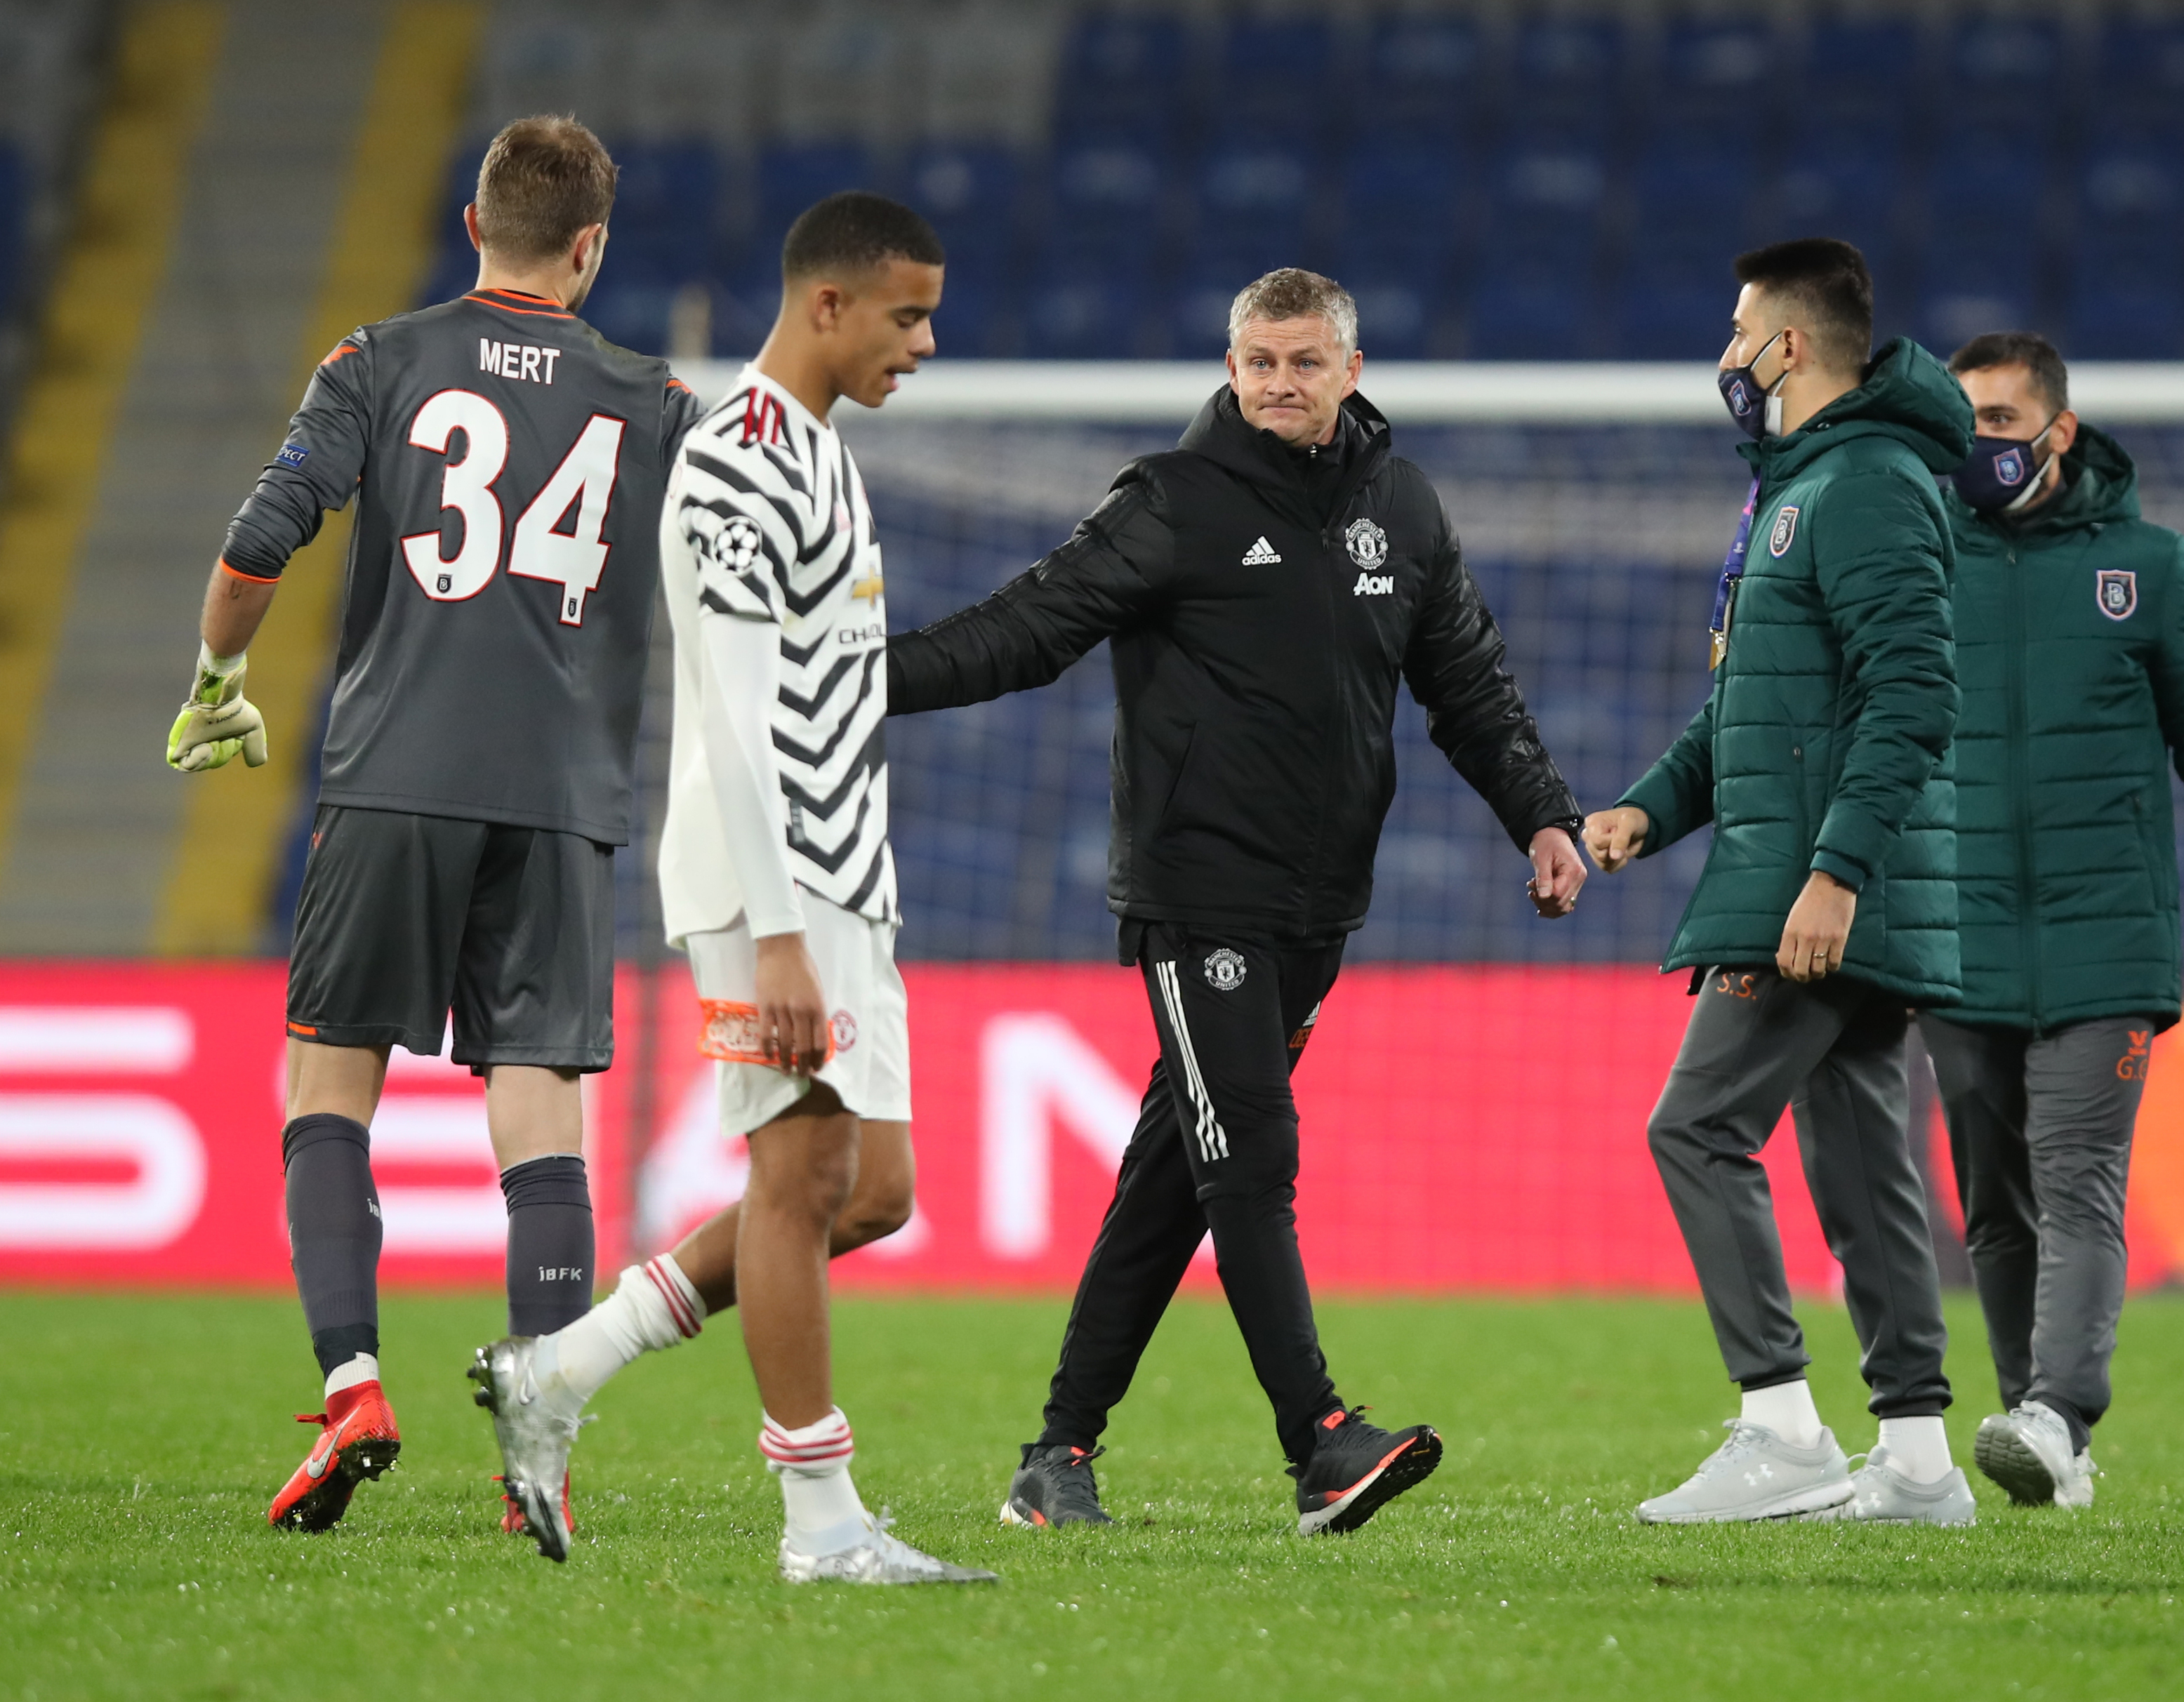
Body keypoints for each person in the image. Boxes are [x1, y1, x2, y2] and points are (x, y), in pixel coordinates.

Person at [886, 267, 1585, 1537]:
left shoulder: (1402, 509)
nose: (1277, 383)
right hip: (1198, 891)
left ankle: (1057, 1456)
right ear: (1231, 365)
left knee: (1172, 1176)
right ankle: (1321, 1441)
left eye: (1304, 361)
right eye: (1257, 360)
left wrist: (1539, 811)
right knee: (1249, 1151)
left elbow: (1469, 683)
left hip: (1321, 905)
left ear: (1351, 372)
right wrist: (861, 676)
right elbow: (1025, 629)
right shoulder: (1173, 502)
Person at [166, 116, 700, 1541]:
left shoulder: (378, 360)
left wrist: (219, 684)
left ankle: (353, 1383)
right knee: (539, 1116)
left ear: (472, 225)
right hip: (563, 800)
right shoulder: (657, 400)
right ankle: (542, 1438)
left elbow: (256, 542)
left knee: (327, 1092)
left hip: (394, 777)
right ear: (590, 245)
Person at [466, 190, 992, 1585]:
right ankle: (821, 1526)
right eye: (907, 314)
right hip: (768, 890)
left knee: (872, 1190)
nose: (926, 343)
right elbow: (749, 721)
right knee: (797, 1174)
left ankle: (560, 1367)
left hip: (840, 881)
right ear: (827, 304)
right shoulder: (736, 463)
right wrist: (777, 939)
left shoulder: (818, 450)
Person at [1584, 238, 1976, 1526]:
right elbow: (1751, 713)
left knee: (1693, 1127)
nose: (1727, 355)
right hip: (1823, 876)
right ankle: (1918, 1463)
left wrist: (1834, 873)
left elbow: (1913, 694)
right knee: (1865, 1165)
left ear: (1790, 347)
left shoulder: (1860, 482)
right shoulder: (1807, 482)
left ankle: (1783, 1427)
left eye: (1740, 330)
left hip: (1818, 889)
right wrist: (1652, 805)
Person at [1921, 331, 2184, 1510]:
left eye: (1999, 420)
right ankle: (2043, 1434)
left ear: (2060, 433)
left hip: (2109, 940)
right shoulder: (1922, 559)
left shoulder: (2146, 566)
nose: (1979, 444)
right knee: (1994, 1206)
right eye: (1965, 423)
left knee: (2080, 1176)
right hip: (1959, 936)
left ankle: (2058, 1409)